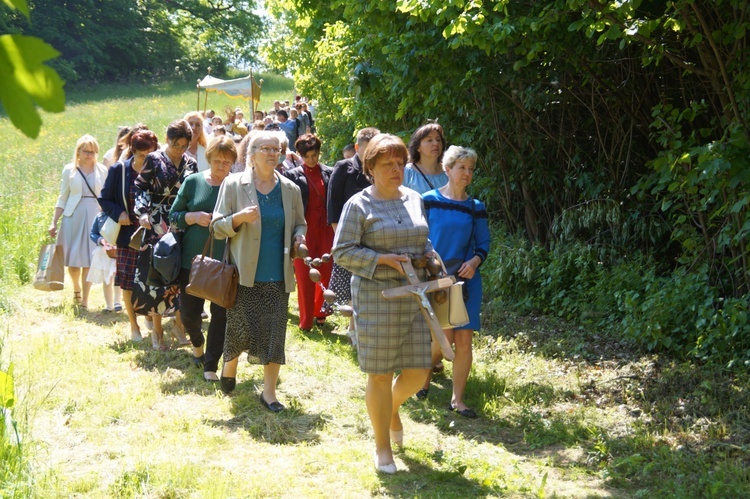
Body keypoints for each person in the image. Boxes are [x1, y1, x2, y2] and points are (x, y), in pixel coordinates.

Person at [332, 133, 434, 474]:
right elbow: (342, 251)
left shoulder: (415, 199)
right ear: (370, 168)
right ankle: (382, 448)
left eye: (399, 163)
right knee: (380, 374)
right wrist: (383, 260)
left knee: (419, 372)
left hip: (415, 294)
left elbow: (421, 238)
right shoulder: (358, 205)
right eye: (386, 164)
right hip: (377, 297)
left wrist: (429, 256)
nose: (395, 169)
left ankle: (389, 409)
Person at [211, 131, 307, 411]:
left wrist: (300, 238)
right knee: (239, 329)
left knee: (275, 335)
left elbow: (300, 224)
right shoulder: (233, 184)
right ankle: (229, 366)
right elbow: (216, 228)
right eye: (265, 148)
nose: (271, 153)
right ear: (250, 154)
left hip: (278, 275)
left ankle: (269, 393)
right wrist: (238, 218)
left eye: (276, 149)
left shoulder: (290, 189)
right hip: (244, 274)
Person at [417, 146, 490, 418]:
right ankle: (422, 378)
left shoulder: (476, 207)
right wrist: (429, 265)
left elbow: (483, 244)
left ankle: (457, 400)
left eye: (471, 169)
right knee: (441, 338)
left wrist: (474, 263)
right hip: (436, 279)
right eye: (462, 168)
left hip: (465, 281)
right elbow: (419, 237)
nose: (467, 174)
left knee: (464, 340)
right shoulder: (429, 200)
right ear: (447, 169)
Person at [170, 136, 236, 381]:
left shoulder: (237, 186)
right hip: (192, 261)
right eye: (217, 161)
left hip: (225, 263)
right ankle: (197, 346)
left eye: (227, 162)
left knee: (221, 316)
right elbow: (173, 215)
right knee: (189, 314)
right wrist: (193, 216)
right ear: (208, 159)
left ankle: (210, 365)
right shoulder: (193, 182)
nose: (221, 166)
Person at [133, 119, 197, 350]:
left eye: (184, 145)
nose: (180, 150)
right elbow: (140, 187)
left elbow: (195, 192)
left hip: (182, 223)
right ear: (167, 140)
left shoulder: (191, 163)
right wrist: (142, 213)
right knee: (158, 277)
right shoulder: (153, 159)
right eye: (176, 144)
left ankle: (179, 327)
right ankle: (157, 333)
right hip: (157, 225)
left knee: (182, 276)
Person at [99, 130, 159, 341]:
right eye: (142, 155)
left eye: (150, 155)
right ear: (133, 151)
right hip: (127, 234)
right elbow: (104, 199)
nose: (146, 160)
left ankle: (152, 317)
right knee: (127, 281)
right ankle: (134, 326)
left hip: (153, 234)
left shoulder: (158, 169)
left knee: (152, 280)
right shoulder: (119, 171)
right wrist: (120, 213)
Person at [327, 127, 379, 344]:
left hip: (373, 234)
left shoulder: (379, 169)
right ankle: (353, 326)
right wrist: (341, 237)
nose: (370, 156)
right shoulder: (343, 168)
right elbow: (333, 204)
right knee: (351, 281)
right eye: (366, 151)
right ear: (357, 148)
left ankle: (362, 326)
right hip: (348, 235)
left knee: (369, 281)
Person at [49, 134, 108, 310]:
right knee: (74, 260)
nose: (90, 155)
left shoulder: (102, 170)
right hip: (73, 216)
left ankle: (85, 301)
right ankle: (76, 289)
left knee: (89, 259)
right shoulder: (69, 170)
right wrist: (54, 221)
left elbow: (105, 197)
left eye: (93, 151)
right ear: (78, 152)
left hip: (94, 216)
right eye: (86, 151)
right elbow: (63, 197)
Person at [284, 134, 334, 331]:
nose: (313, 159)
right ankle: (305, 319)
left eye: (315, 155)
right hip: (303, 228)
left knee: (325, 270)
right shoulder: (292, 175)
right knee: (304, 273)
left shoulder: (329, 172)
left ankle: (321, 312)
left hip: (325, 228)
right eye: (308, 156)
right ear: (300, 155)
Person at [403, 122, 448, 194]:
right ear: (418, 147)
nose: (436, 143)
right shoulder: (407, 172)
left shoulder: (449, 172)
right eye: (429, 140)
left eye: (438, 140)